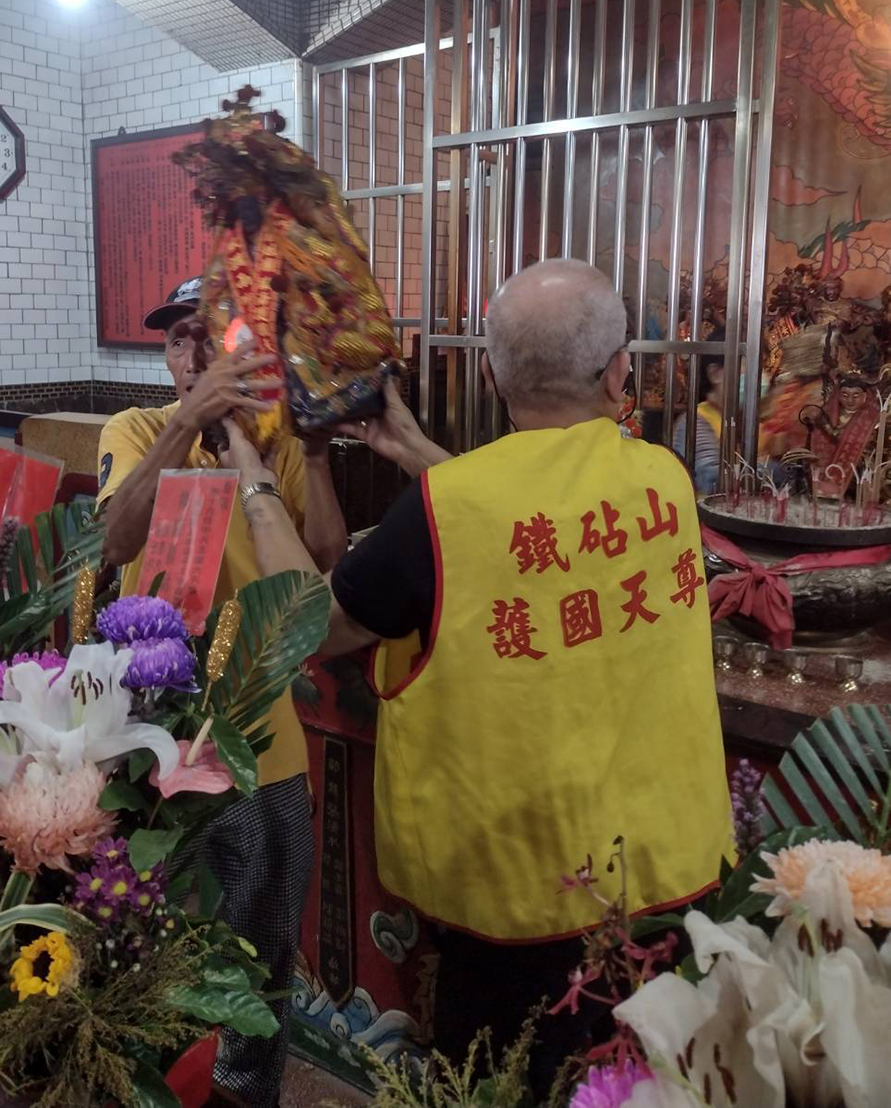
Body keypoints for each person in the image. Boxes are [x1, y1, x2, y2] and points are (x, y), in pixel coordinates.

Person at [220, 259, 732, 1095]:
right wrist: (416, 451)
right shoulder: (666, 481)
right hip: (659, 883)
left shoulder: (442, 509)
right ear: (619, 374)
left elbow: (311, 622)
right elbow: (535, 517)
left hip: (514, 905)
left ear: (491, 376)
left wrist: (251, 474)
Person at [97, 276, 348, 1108]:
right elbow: (115, 538)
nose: (193, 352)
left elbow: (325, 560)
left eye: (209, 335)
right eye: (178, 339)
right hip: (158, 751)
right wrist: (188, 421)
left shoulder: (272, 449)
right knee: (158, 953)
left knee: (263, 960)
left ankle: (250, 1095)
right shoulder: (137, 429)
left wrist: (309, 451)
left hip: (265, 742)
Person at [672, 333, 725, 496]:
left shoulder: (732, 418)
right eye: (746, 366)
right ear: (715, 374)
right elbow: (711, 481)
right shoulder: (695, 422)